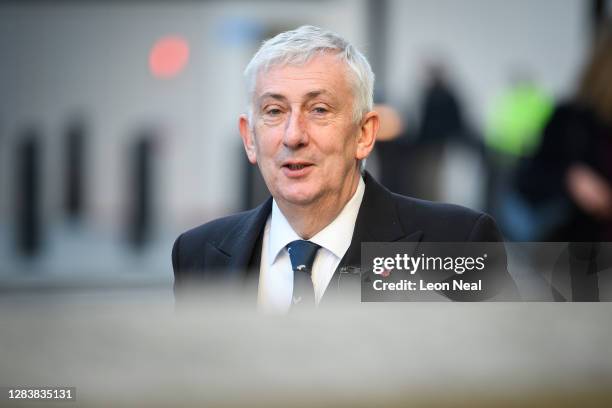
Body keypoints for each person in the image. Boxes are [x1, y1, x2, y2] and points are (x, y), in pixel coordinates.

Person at [172, 26, 517, 310]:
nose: (293, 135)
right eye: (275, 111)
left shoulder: (456, 244)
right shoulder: (197, 254)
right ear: (249, 138)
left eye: (319, 110)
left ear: (364, 134)